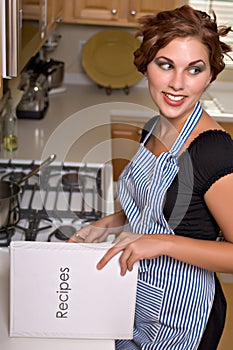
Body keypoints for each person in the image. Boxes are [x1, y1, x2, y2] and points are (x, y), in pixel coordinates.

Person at [68, 5, 233, 349]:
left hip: (183, 318)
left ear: (210, 76)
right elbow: (155, 210)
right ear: (146, 65)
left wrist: (165, 244)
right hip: (137, 297)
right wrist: (108, 225)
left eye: (194, 69)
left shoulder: (214, 151)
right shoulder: (153, 127)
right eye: (166, 64)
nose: (177, 83)